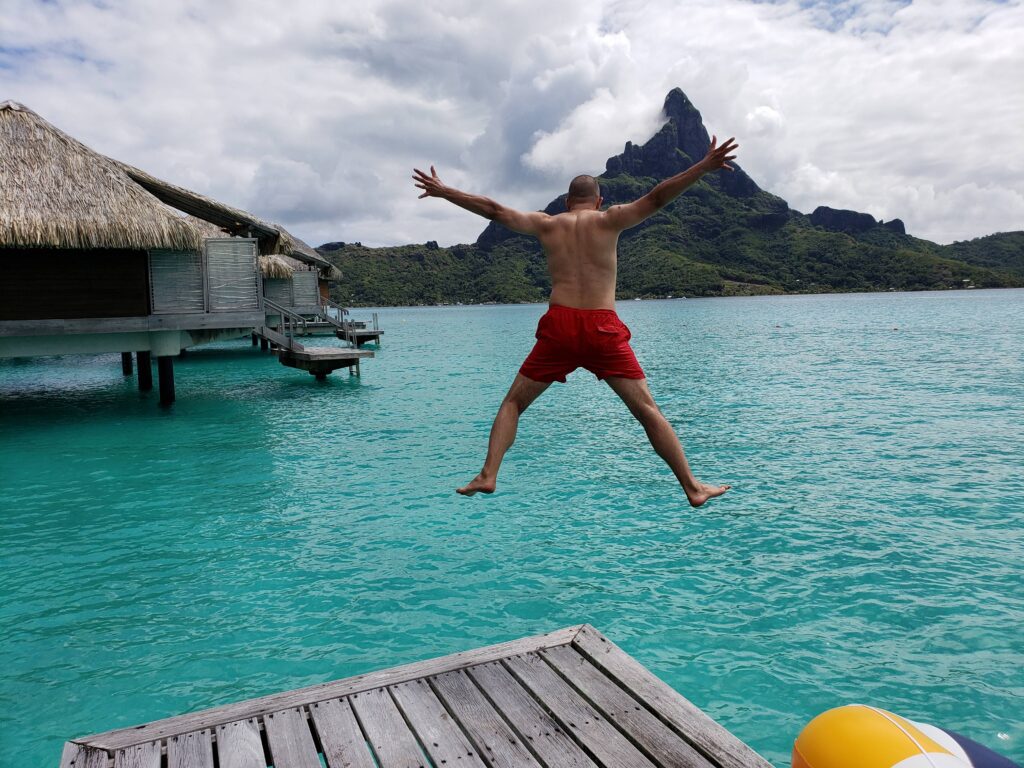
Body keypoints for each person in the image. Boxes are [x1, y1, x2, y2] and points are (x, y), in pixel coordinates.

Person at [413, 135, 739, 507]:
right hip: (603, 327)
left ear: (567, 202)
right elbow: (658, 197)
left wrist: (444, 191)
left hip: (560, 326)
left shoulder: (547, 224)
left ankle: (488, 474)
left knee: (513, 404)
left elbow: (494, 210)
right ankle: (693, 488)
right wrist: (704, 165)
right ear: (598, 201)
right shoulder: (610, 218)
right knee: (647, 411)